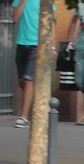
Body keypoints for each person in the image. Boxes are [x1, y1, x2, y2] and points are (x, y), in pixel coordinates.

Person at [11, 0, 56, 128]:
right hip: (21, 43)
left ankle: (24, 116)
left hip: (38, 45)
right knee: (22, 82)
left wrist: (52, 47)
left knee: (28, 79)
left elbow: (51, 23)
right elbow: (15, 17)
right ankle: (38, 104)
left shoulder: (45, 1)